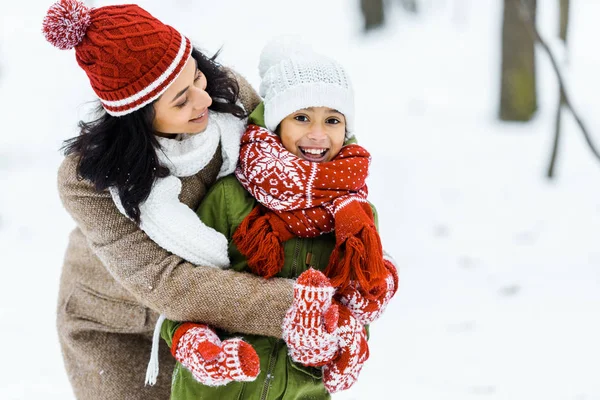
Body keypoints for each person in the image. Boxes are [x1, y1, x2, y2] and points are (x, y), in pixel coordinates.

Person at [43, 2, 300, 399]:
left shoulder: (227, 98)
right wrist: (296, 308)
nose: (204, 101)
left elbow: (302, 158)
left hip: (216, 321)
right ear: (137, 118)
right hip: (119, 327)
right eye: (181, 101)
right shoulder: (88, 182)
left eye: (197, 78)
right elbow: (166, 280)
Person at [155, 39, 399, 399]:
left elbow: (354, 303)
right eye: (301, 117)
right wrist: (192, 339)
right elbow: (179, 286)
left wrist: (341, 341)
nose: (317, 135)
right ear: (275, 122)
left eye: (332, 120)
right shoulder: (230, 197)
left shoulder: (356, 214)